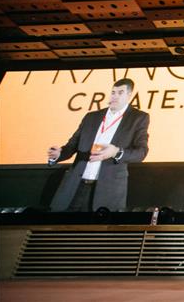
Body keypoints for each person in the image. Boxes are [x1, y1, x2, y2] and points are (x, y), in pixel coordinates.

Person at [47, 78, 150, 212]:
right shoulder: (91, 117)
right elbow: (72, 145)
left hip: (106, 190)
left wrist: (116, 152)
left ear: (129, 95)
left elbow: (141, 152)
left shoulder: (138, 118)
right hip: (75, 185)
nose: (115, 96)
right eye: (113, 92)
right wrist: (59, 154)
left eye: (120, 93)